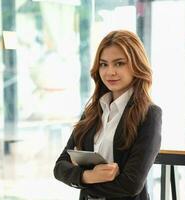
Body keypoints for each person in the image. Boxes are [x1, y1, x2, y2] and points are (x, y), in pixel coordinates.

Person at [53, 30, 162, 200]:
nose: (110, 72)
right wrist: (90, 176)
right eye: (104, 64)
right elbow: (60, 167)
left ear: (136, 65)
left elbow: (131, 184)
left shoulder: (149, 114)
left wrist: (80, 178)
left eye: (119, 63)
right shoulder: (92, 112)